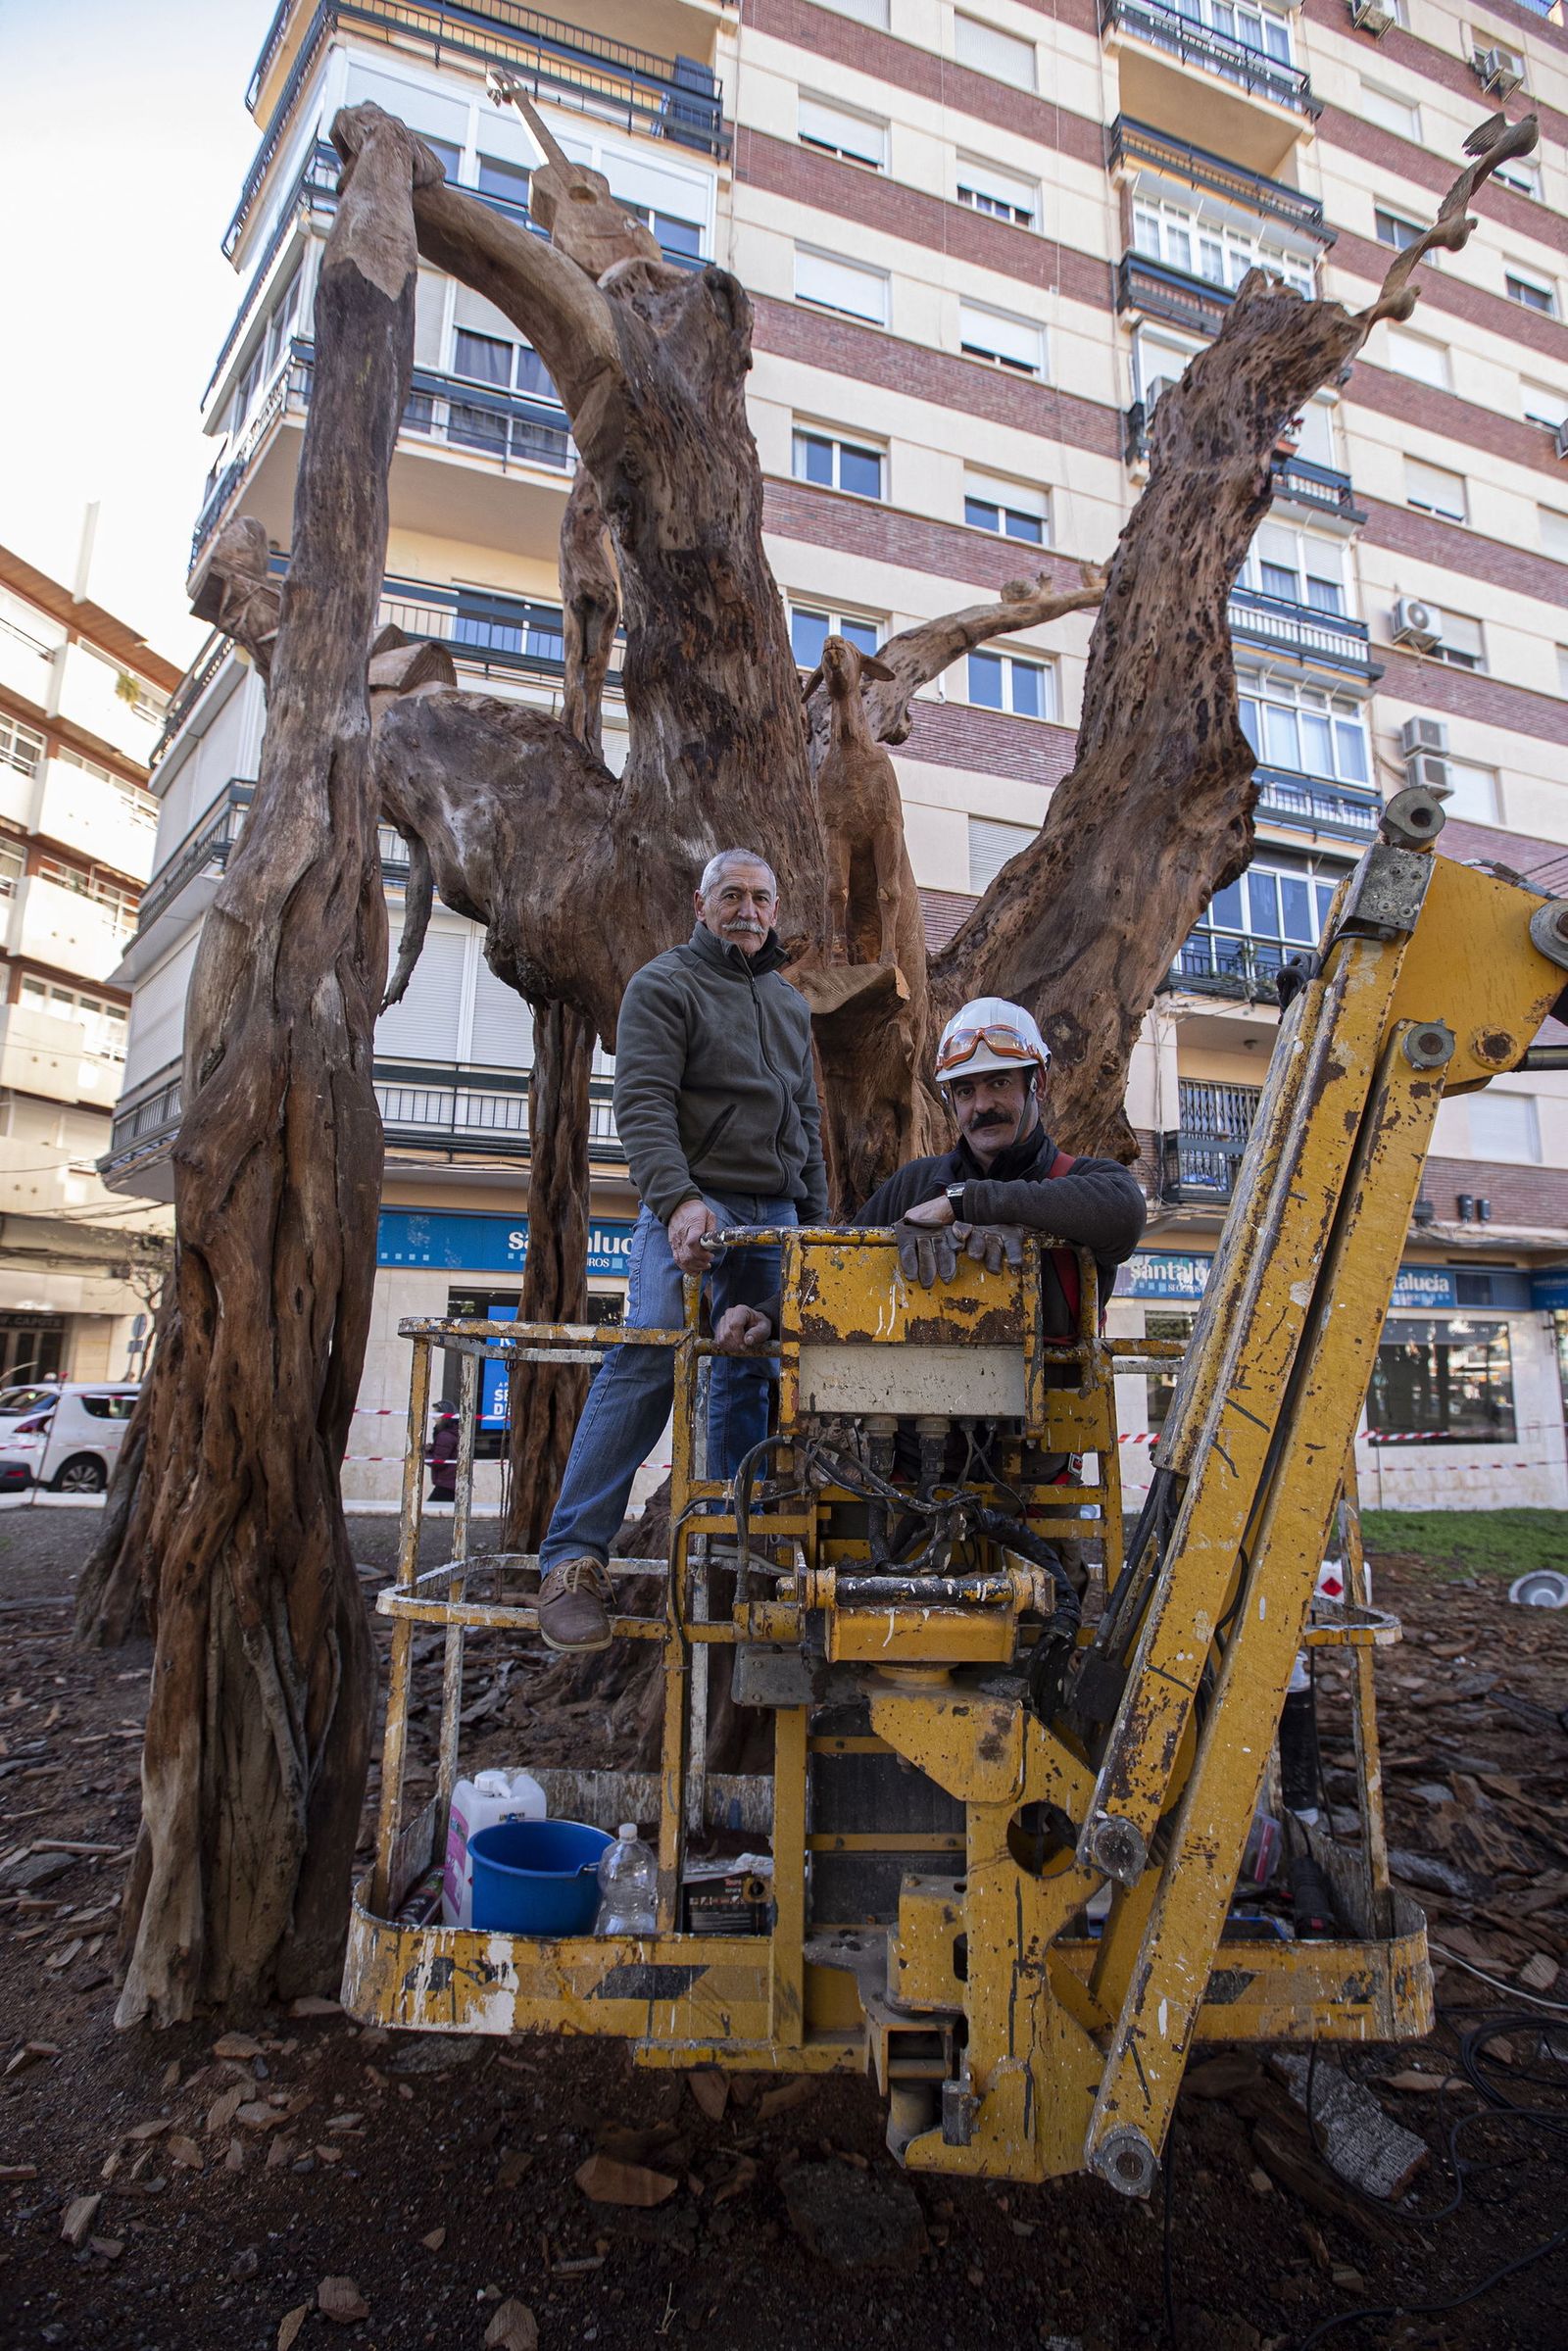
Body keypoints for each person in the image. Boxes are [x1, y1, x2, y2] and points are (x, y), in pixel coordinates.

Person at [534, 849, 828, 1655]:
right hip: (693, 1201)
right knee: (653, 1346)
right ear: (700, 904)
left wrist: (817, 1233)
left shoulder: (789, 1005)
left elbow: (805, 1130)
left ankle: (738, 1550)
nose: (747, 908)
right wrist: (679, 1201)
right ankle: (571, 1564)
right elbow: (643, 1102)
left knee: (753, 1364)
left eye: (761, 897)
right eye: (730, 894)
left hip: (774, 1215)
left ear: (775, 910)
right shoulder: (663, 984)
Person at [716, 996, 1147, 1349]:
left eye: (998, 1083)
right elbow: (833, 1267)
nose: (981, 1107)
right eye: (965, 1090)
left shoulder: (1079, 1179)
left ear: (1039, 1083)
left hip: (1035, 1442)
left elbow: (1125, 1214)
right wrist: (768, 1315)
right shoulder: (915, 1184)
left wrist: (962, 1205)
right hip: (911, 1440)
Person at [427, 1410, 460, 1504]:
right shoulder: (452, 1433)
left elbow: (438, 1463)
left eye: (436, 1415)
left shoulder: (445, 1436)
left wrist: (422, 1454)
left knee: (429, 1513)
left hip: (446, 1483)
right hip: (451, 1483)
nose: (433, 1418)